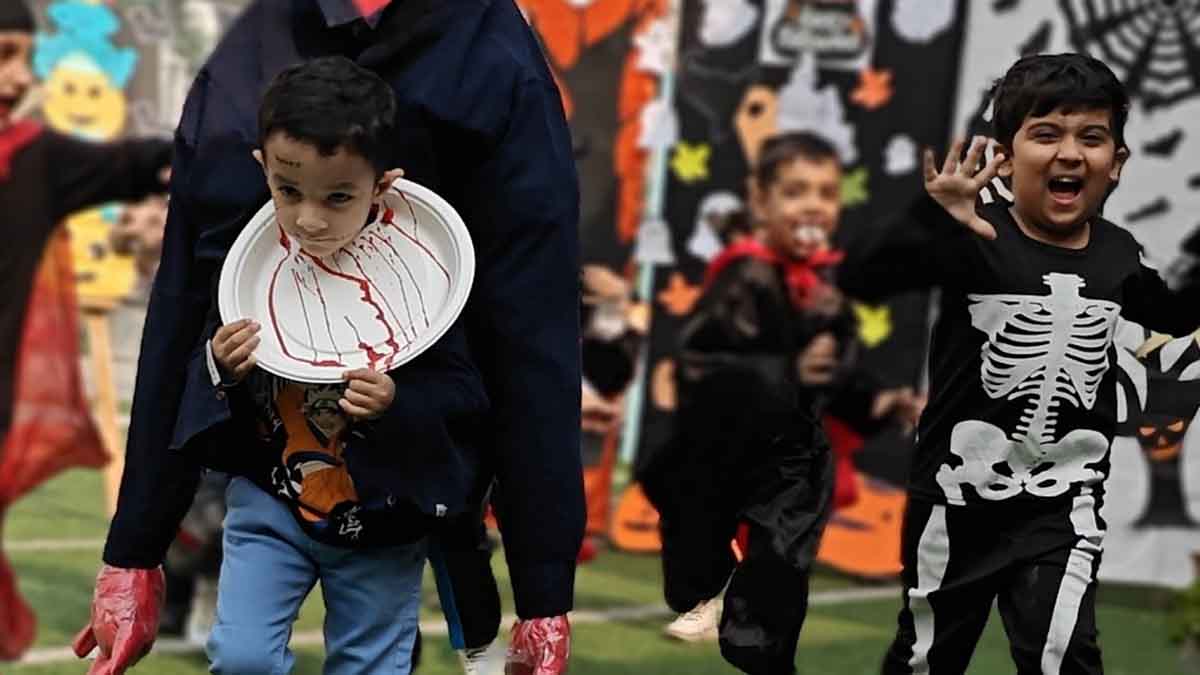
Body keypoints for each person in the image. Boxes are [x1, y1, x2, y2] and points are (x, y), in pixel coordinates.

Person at [76, 2, 583, 674]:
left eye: (338, 198)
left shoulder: (491, 63)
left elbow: (531, 326)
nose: (310, 222)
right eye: (289, 191)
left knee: (372, 658)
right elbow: (186, 297)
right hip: (271, 487)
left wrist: (544, 590)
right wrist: (134, 549)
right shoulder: (249, 61)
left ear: (386, 188)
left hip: (394, 501)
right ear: (264, 167)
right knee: (244, 655)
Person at [836, 53, 1200, 674]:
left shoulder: (1119, 254)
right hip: (957, 498)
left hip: (1063, 505)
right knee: (927, 656)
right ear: (1004, 158)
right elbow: (863, 278)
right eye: (1046, 134)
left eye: (1091, 138)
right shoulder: (972, 236)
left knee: (1066, 656)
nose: (1070, 153)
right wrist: (931, 216)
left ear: (1116, 164)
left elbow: (1174, 314)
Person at [641, 131, 919, 673]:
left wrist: (881, 401)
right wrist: (787, 370)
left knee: (780, 571)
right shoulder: (745, 274)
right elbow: (702, 365)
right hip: (720, 449)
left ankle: (766, 657)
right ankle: (703, 587)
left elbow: (839, 375)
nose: (813, 205)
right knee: (693, 557)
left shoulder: (826, 289)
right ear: (761, 201)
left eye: (825, 193)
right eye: (795, 192)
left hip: (792, 456)